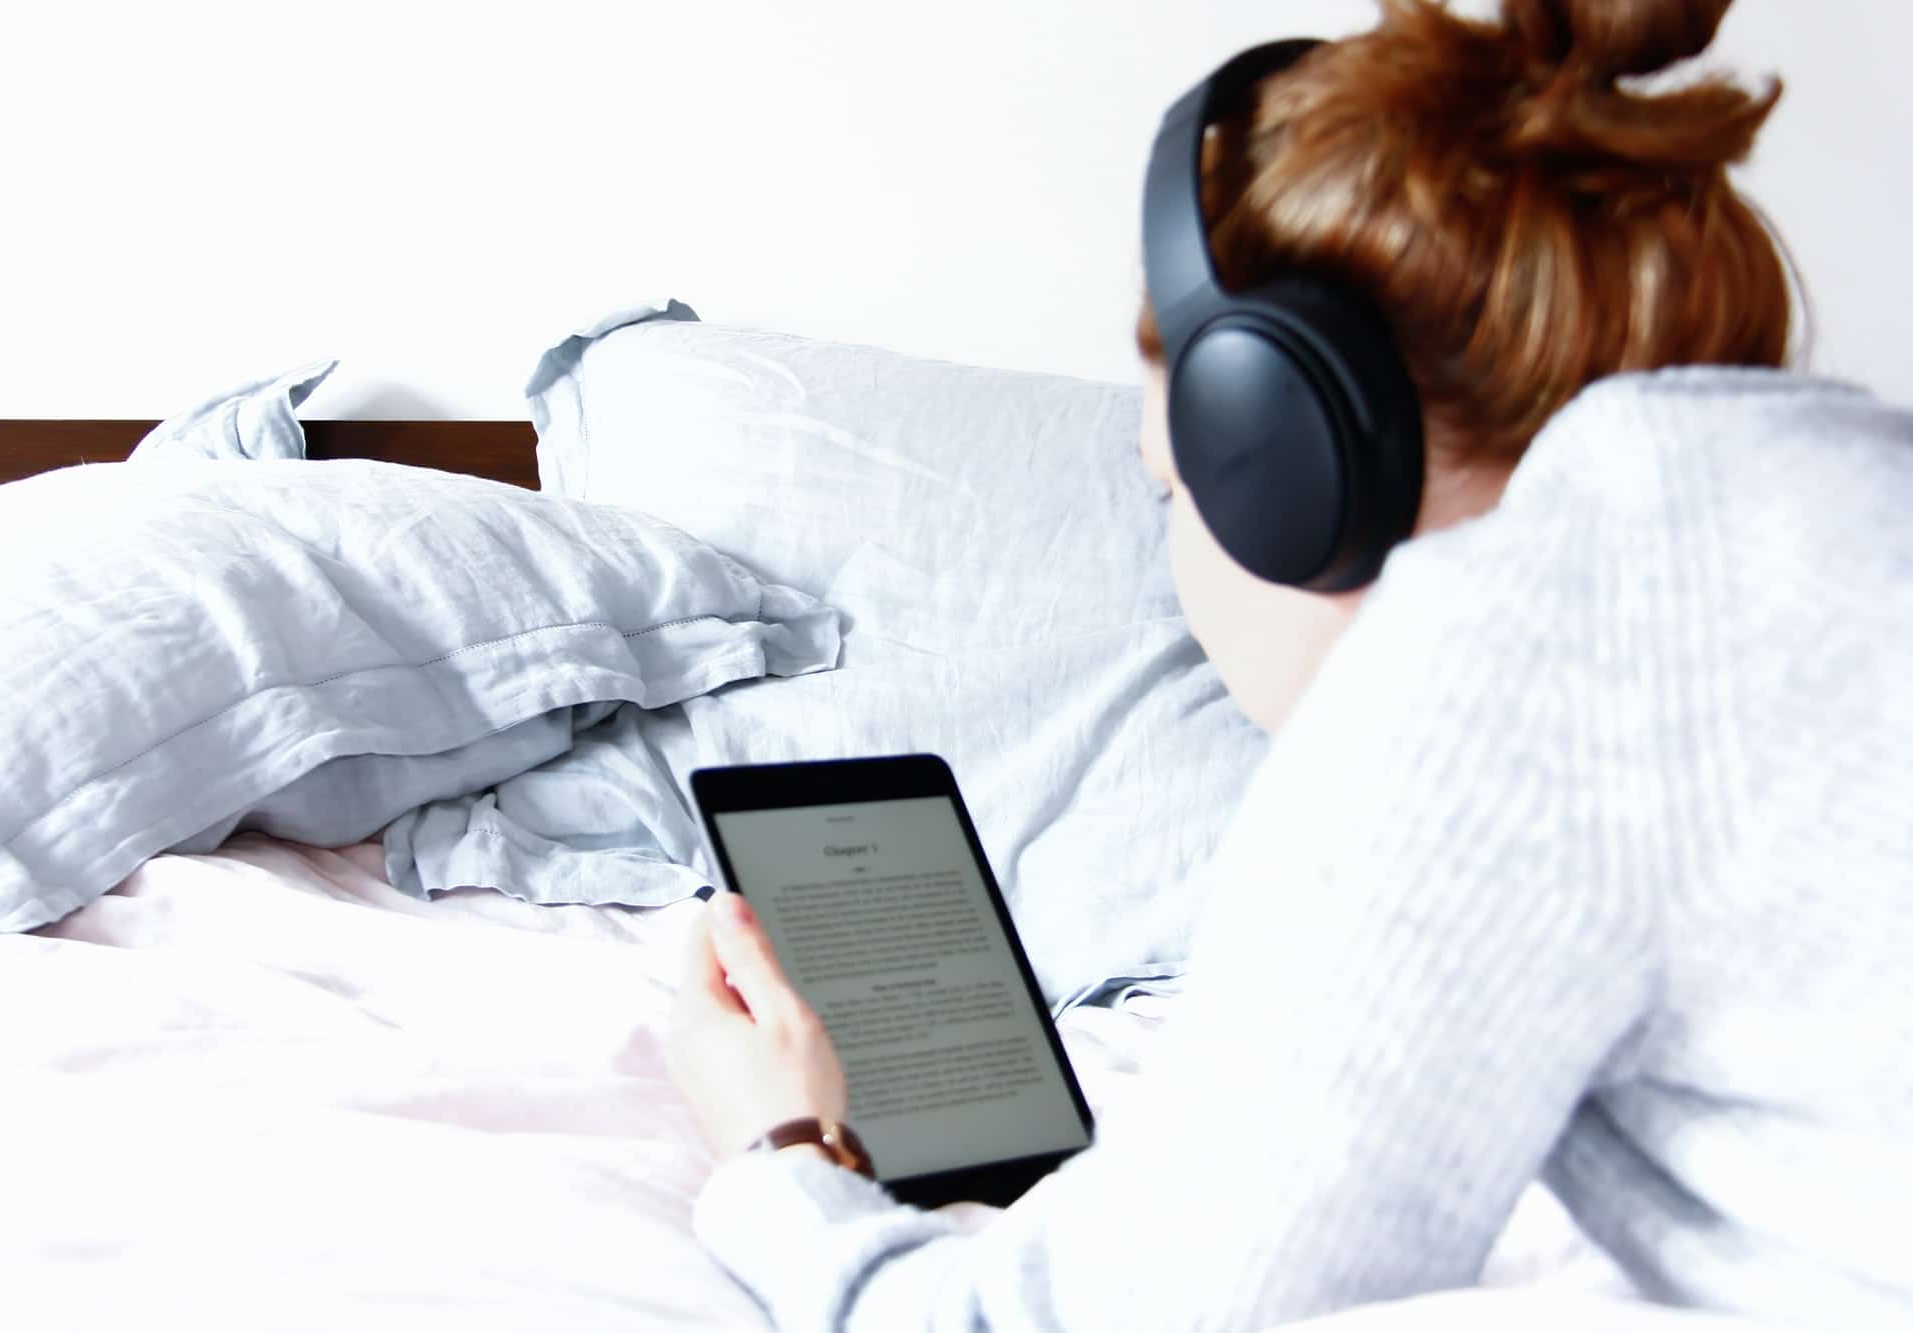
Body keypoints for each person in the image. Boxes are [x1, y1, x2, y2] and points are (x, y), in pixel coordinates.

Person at [664, 0, 1913, 1327]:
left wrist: (779, 1153)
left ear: (1288, 458)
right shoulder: (1844, 480)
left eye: (1169, 492)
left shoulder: (1501, 658)